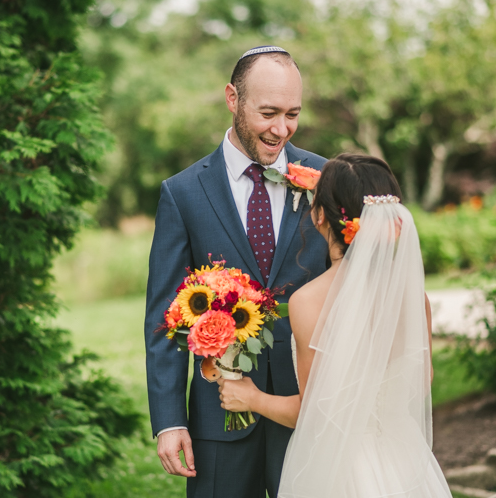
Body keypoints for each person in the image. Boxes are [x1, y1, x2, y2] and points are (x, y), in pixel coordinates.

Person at [144, 46, 328, 498]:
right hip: (218, 420)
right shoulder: (182, 193)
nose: (280, 129)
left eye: (292, 114)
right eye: (268, 113)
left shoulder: (326, 178)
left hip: (309, 410)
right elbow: (165, 319)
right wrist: (169, 422)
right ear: (233, 98)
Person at [218, 154, 454, 497]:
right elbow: (423, 380)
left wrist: (251, 397)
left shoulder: (309, 301)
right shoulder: (415, 299)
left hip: (342, 470)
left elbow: (314, 412)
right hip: (405, 462)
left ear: (318, 217)